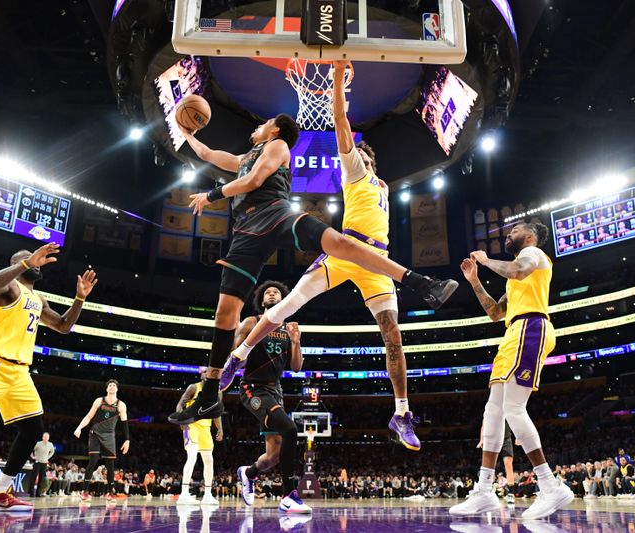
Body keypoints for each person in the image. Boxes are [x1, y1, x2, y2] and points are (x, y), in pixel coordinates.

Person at [168, 113, 458, 425]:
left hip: (276, 213)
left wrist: (211, 194)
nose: (257, 126)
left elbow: (253, 181)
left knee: (339, 243)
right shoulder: (245, 157)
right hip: (246, 229)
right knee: (226, 314)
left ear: (275, 129)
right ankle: (211, 394)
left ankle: (419, 283)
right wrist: (188, 133)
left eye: (263, 123)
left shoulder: (278, 146)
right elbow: (208, 155)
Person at [219, 60, 420, 450]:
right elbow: (341, 122)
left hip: (375, 261)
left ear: (372, 160)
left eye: (363, 155)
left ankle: (400, 413)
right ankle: (238, 356)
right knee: (287, 306)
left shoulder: (383, 186)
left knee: (393, 336)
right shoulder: (353, 172)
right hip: (348, 251)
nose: (357, 156)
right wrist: (337, 84)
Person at [0, 242, 96, 511]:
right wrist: (26, 262)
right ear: (19, 265)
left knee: (34, 429)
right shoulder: (10, 288)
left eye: (35, 259)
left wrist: (79, 298)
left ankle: (0, 492)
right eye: (29, 259)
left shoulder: (38, 299)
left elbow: (63, 326)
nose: (36, 261)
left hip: (20, 372)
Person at [451, 222, 573, 519]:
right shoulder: (516, 275)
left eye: (514, 231)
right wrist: (475, 281)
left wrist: (485, 260)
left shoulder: (534, 255)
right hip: (512, 333)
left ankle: (550, 485)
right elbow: (495, 313)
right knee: (493, 411)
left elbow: (517, 270)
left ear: (529, 237)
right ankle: (484, 490)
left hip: (531, 327)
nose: (508, 235)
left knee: (514, 409)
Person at [233, 281, 311, 514]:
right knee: (289, 429)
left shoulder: (289, 329)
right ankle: (289, 495)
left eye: (276, 292)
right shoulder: (252, 322)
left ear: (284, 299)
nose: (272, 293)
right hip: (253, 388)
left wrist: (296, 342)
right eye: (268, 292)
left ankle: (248, 473)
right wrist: (250, 340)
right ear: (262, 300)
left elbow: (296, 367)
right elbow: (237, 358)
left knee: (273, 457)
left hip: (275, 390)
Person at [73, 380, 130, 502]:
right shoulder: (99, 401)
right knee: (93, 461)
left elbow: (125, 424)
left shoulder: (121, 405)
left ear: (117, 389)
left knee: (110, 465)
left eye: (114, 385)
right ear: (107, 389)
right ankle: (85, 491)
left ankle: (110, 493)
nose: (112, 387)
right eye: (110, 385)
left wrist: (127, 440)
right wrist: (79, 427)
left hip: (109, 436)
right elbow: (89, 416)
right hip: (95, 434)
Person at [175, 368, 223, 506]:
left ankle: (207, 495)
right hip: (192, 425)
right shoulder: (193, 388)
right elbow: (180, 404)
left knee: (209, 460)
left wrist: (220, 428)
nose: (208, 374)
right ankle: (184, 493)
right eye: (205, 372)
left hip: (205, 428)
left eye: (211, 372)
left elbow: (217, 413)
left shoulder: (217, 392)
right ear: (202, 375)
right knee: (192, 457)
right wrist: (181, 419)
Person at [30, 432, 54, 497]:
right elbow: (31, 449)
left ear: (48, 438)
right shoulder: (38, 443)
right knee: (34, 478)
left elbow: (52, 452)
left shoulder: (50, 444)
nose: (46, 438)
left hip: (44, 463)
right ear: (42, 437)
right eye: (45, 437)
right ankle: (31, 493)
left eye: (47, 437)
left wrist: (48, 457)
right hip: (37, 462)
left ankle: (38, 493)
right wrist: (32, 456)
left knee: (41, 479)